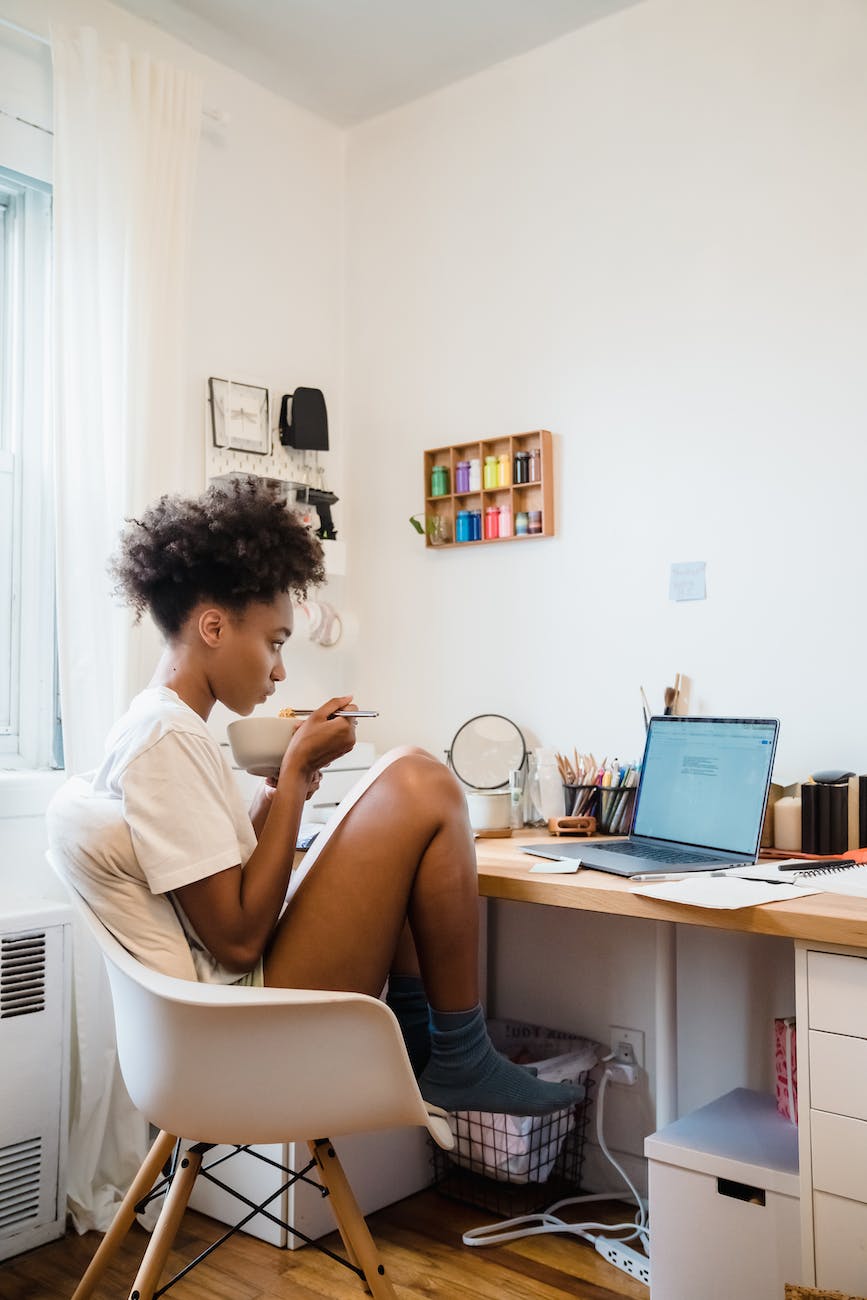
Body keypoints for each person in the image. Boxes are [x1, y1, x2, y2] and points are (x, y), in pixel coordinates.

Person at [49, 475, 583, 1117]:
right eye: (274, 643)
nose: (279, 670)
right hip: (244, 1023)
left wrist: (280, 790)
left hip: (231, 1011)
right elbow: (239, 941)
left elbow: (218, 889)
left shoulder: (159, 726)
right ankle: (459, 1058)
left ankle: (427, 1049)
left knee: (412, 795)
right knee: (421, 779)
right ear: (213, 627)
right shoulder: (166, 737)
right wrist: (298, 773)